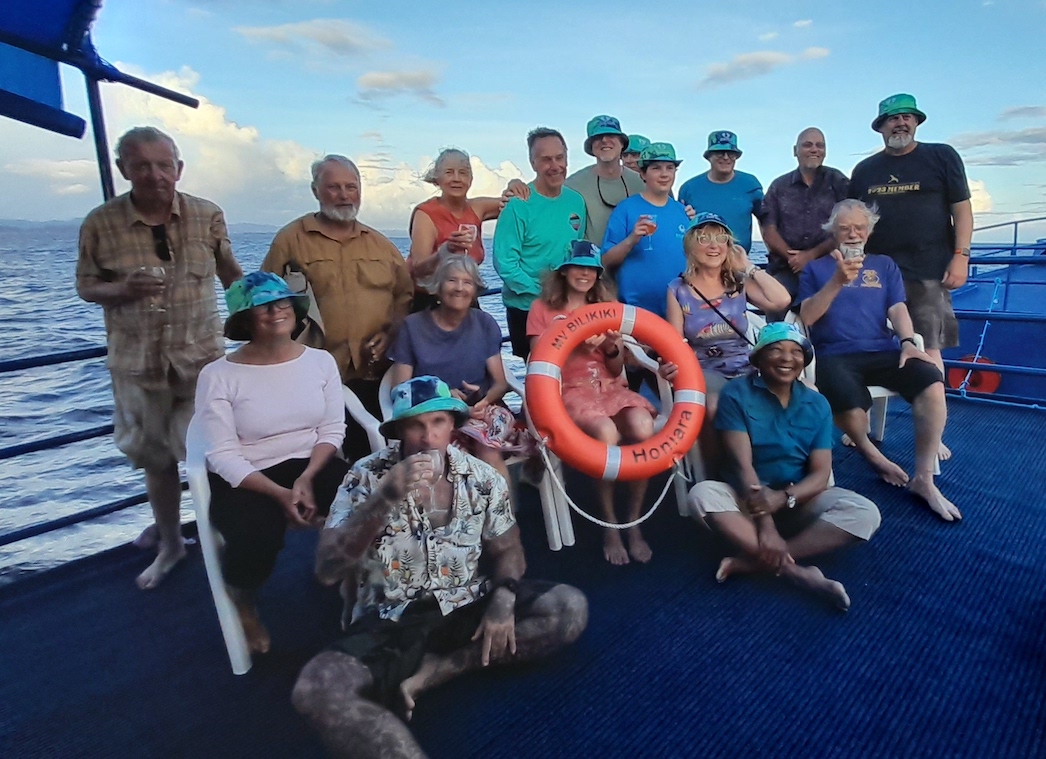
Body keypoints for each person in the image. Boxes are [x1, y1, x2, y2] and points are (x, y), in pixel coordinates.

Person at [292, 376, 588, 757]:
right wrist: (384, 499)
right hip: (393, 616)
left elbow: (508, 549)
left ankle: (438, 670)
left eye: (437, 423)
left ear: (452, 425)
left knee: (569, 608)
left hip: (466, 599)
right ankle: (420, 669)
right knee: (316, 689)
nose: (427, 437)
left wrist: (504, 595)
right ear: (398, 431)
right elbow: (328, 570)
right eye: (415, 425)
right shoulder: (365, 475)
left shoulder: (481, 477)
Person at [76, 126, 243, 590]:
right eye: (142, 165)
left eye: (163, 164)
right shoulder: (100, 223)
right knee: (156, 462)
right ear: (123, 169)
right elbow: (86, 285)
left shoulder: (207, 215)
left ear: (179, 168)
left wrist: (265, 322)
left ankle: (216, 532)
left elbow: (231, 275)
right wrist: (122, 290)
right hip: (138, 364)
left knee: (209, 455)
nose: (154, 175)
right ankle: (171, 543)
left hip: (201, 361)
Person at [195, 272, 348, 653]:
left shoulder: (321, 362)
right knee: (254, 535)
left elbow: (332, 429)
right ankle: (243, 601)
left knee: (372, 498)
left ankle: (357, 575)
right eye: (262, 305)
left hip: (312, 461)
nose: (276, 310)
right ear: (246, 320)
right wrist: (280, 493)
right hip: (249, 475)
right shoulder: (217, 376)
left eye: (282, 302)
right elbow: (222, 454)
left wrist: (309, 476)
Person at [686, 323, 881, 610]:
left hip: (797, 499)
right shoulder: (736, 394)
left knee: (866, 513)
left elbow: (820, 474)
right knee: (702, 495)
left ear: (804, 361)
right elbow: (742, 468)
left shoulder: (817, 403)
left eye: (795, 352)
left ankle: (753, 562)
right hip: (747, 499)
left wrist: (784, 498)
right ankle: (797, 572)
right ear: (758, 360)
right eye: (775, 350)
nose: (787, 358)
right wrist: (766, 526)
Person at [799, 199, 961, 521]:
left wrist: (907, 342)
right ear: (833, 233)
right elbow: (807, 317)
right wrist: (837, 281)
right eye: (844, 228)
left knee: (931, 381)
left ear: (870, 231)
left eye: (859, 227)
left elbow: (897, 308)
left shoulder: (884, 265)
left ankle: (924, 479)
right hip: (834, 353)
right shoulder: (815, 269)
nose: (853, 234)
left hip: (883, 349)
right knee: (848, 400)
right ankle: (872, 455)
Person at [262, 154, 413, 464]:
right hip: (312, 376)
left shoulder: (381, 245)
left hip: (373, 374)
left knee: (375, 452)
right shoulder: (291, 241)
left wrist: (390, 334)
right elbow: (263, 299)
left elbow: (404, 298)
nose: (344, 195)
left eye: (351, 187)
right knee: (320, 460)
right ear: (315, 190)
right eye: (334, 187)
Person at [527, 242, 659, 566]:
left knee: (643, 426)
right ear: (565, 270)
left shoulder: (607, 305)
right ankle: (611, 525)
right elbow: (539, 362)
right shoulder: (541, 308)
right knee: (606, 435)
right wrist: (573, 339)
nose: (584, 273)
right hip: (570, 389)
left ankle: (635, 521)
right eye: (578, 266)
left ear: (598, 273)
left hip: (610, 385)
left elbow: (616, 368)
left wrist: (613, 347)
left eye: (591, 268)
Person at [849, 94, 972, 418]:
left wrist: (961, 256)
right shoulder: (864, 170)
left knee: (929, 348)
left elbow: (962, 210)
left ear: (916, 121)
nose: (900, 122)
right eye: (892, 118)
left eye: (906, 116)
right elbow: (853, 220)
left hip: (929, 270)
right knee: (869, 345)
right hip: (876, 273)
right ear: (880, 127)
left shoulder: (941, 156)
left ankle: (935, 429)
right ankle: (863, 422)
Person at [388, 255, 533, 488]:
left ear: (475, 289)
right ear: (437, 287)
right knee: (448, 457)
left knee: (487, 447)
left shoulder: (485, 323)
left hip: (481, 412)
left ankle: (504, 519)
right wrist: (442, 396)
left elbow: (499, 382)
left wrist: (482, 400)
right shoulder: (412, 327)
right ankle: (457, 517)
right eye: (451, 281)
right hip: (433, 414)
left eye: (467, 282)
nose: (459, 288)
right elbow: (399, 388)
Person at [662, 212, 790, 475]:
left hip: (745, 362)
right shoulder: (677, 289)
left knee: (787, 388)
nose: (713, 245)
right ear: (690, 246)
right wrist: (668, 365)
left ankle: (774, 464)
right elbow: (674, 342)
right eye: (704, 238)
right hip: (705, 367)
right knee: (713, 404)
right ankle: (716, 471)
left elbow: (781, 301)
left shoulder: (738, 282)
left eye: (721, 238)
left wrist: (750, 268)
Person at [493, 127, 586, 360]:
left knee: (573, 373)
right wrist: (544, 294)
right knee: (537, 380)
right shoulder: (518, 205)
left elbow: (577, 253)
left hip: (567, 308)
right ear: (533, 163)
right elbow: (505, 263)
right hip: (526, 308)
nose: (555, 166)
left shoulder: (576, 201)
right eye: (546, 159)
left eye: (559, 157)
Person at [760, 128, 850, 314]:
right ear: (795, 151)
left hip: (829, 268)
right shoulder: (779, 186)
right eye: (807, 145)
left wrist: (810, 256)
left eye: (820, 145)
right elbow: (768, 229)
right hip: (785, 269)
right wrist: (794, 259)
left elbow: (847, 228)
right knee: (776, 311)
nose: (814, 149)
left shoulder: (839, 182)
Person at [407, 148, 505, 312]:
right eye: (449, 172)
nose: (457, 179)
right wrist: (445, 251)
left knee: (484, 331)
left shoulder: (477, 208)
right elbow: (418, 269)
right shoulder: (426, 214)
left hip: (464, 297)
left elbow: (514, 205)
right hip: (429, 302)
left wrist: (514, 184)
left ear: (471, 179)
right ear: (437, 178)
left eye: (463, 173)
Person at [601, 142, 689, 319]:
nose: (664, 174)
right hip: (636, 313)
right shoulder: (626, 209)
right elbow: (605, 261)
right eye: (656, 168)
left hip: (679, 312)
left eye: (669, 168)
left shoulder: (684, 213)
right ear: (642, 174)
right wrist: (631, 239)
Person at [564, 115, 645, 246]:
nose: (605, 140)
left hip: (635, 262)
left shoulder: (642, 183)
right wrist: (519, 186)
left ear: (622, 143)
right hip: (590, 264)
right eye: (598, 138)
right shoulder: (572, 185)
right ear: (591, 147)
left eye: (611, 136)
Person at [678, 131, 764, 254]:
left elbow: (766, 221)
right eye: (719, 153)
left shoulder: (750, 184)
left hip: (738, 262)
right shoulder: (689, 188)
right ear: (708, 157)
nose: (725, 157)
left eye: (731, 153)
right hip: (701, 261)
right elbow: (681, 228)